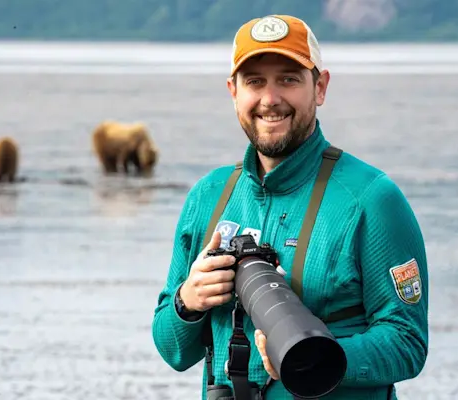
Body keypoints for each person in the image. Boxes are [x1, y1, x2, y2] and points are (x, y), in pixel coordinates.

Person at [151, 14, 429, 400]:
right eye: (255, 82)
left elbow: (408, 342)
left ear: (320, 87)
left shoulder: (372, 200)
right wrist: (188, 302)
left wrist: (317, 359)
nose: (270, 99)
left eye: (288, 78)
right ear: (233, 91)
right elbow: (173, 352)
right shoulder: (207, 197)